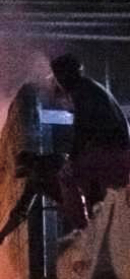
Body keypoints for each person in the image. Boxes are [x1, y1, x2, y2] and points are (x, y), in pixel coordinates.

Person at [51, 54, 130, 224]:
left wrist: (71, 158)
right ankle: (94, 215)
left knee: (66, 176)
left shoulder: (81, 91)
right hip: (119, 150)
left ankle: (82, 227)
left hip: (109, 152)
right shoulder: (92, 87)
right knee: (87, 178)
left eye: (58, 76)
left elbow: (82, 128)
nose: (58, 82)